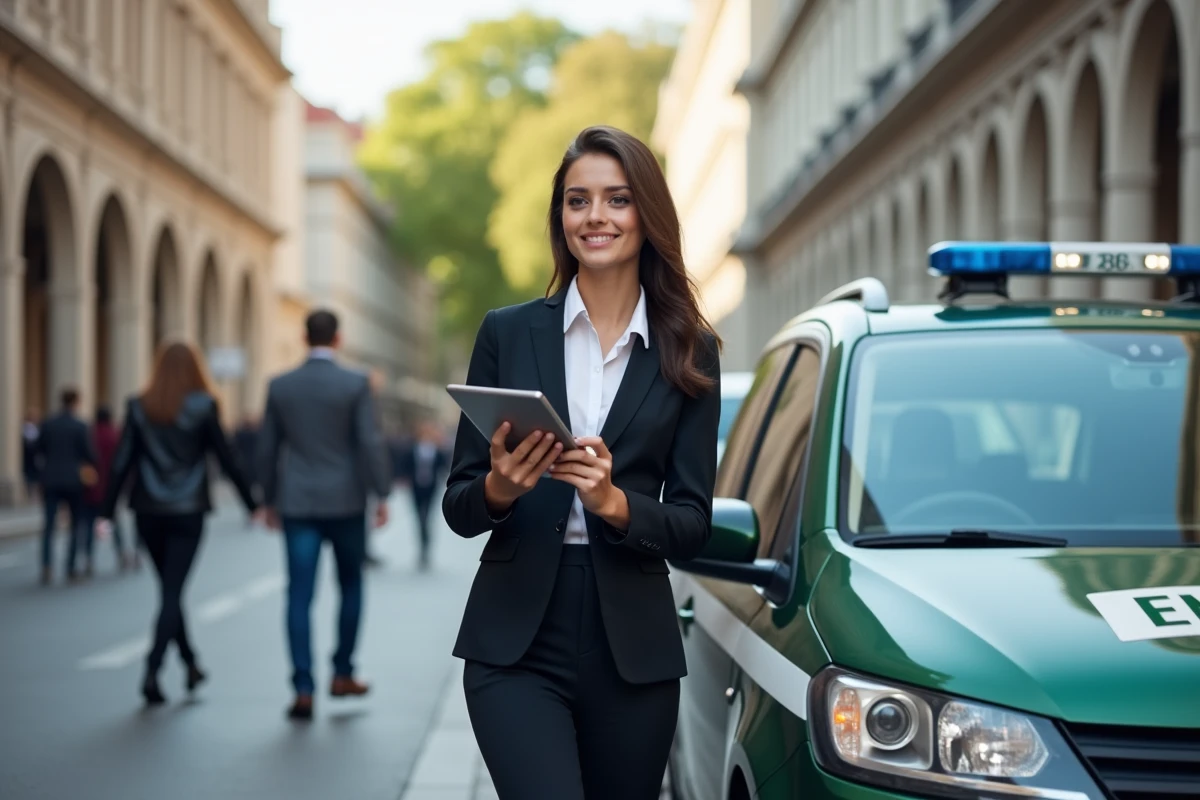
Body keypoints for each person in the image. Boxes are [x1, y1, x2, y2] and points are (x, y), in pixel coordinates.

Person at [442, 125, 722, 800]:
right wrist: (501, 490)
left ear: (646, 215)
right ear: (559, 218)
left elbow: (692, 522)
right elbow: (459, 504)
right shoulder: (506, 333)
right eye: (577, 200)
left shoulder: (690, 350)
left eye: (617, 199)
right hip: (514, 642)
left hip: (632, 647)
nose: (595, 216)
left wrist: (615, 505)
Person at [100, 342, 259, 706]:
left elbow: (123, 460)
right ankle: (152, 670)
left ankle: (190, 662)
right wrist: (252, 503)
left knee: (170, 592)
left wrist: (106, 511)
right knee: (172, 593)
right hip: (188, 511)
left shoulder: (140, 406)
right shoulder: (205, 405)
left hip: (148, 511)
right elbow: (227, 456)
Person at [256, 309, 393, 721]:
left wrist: (267, 499)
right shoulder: (355, 384)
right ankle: (343, 673)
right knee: (350, 585)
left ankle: (302, 687)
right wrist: (381, 492)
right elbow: (369, 441)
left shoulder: (281, 386)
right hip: (347, 501)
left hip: (297, 502)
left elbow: (267, 447)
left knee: (299, 595)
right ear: (338, 339)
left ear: (303, 337)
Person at [36, 388, 96, 585]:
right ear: (76, 402)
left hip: (51, 478)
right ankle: (70, 567)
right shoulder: (80, 426)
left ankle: (46, 565)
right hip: (73, 480)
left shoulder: (48, 423)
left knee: (49, 525)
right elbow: (89, 453)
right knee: (75, 525)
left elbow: (38, 449)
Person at [81, 406, 138, 574]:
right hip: (110, 486)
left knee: (90, 522)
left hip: (91, 485)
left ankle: (89, 559)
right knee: (112, 522)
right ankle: (121, 554)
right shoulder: (115, 435)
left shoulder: (90, 434)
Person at [398, 420, 449, 570]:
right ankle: (421, 545)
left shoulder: (438, 451)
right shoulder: (412, 449)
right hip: (416, 488)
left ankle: (426, 548)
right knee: (419, 518)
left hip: (431, 488)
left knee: (427, 517)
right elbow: (405, 465)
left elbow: (444, 467)